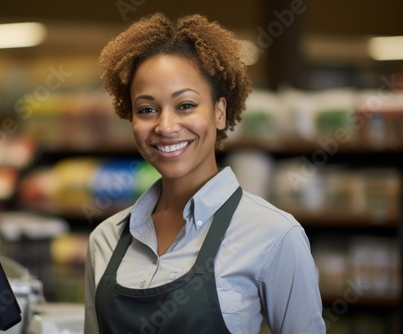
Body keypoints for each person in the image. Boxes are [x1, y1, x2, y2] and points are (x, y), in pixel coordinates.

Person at [84, 12, 326, 334]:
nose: (165, 126)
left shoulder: (274, 235)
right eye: (147, 109)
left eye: (185, 105)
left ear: (220, 112)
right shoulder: (105, 239)